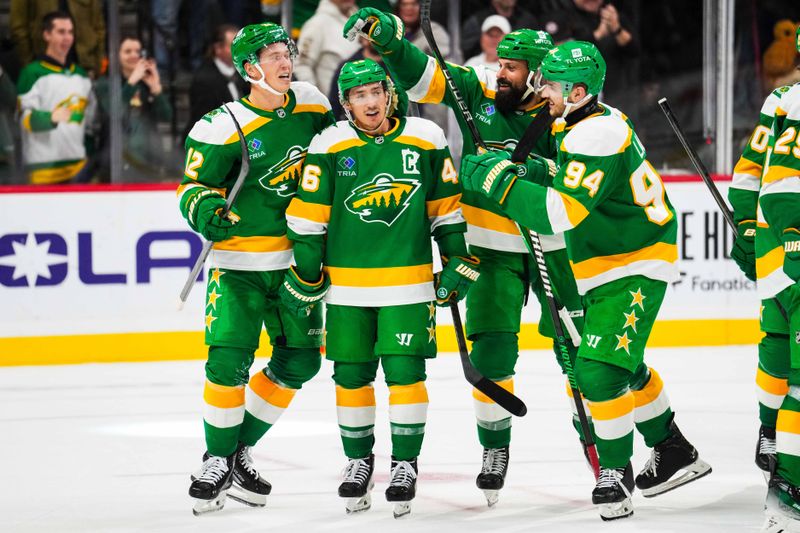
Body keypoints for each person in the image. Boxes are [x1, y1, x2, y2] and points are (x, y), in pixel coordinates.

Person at [458, 40, 712, 521]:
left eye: (550, 84)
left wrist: (498, 182)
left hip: (632, 262)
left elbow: (559, 212)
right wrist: (531, 167)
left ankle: (615, 477)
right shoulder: (587, 119)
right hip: (607, 263)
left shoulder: (593, 135)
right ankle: (673, 448)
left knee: (596, 372)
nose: (540, 90)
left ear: (576, 91)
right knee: (622, 363)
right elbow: (568, 176)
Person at [344, 9, 587, 507]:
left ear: (540, 76)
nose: (501, 72)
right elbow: (426, 77)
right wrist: (392, 44)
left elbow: (581, 180)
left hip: (556, 248)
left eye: (513, 68)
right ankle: (494, 450)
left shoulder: (569, 107)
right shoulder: (479, 86)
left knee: (580, 354)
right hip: (491, 248)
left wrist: (533, 169)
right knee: (492, 356)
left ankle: (601, 446)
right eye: (501, 63)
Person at [282, 57, 475, 518]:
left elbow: (445, 211)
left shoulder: (425, 138)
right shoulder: (328, 143)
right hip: (346, 291)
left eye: (375, 92)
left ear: (390, 92)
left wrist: (458, 263)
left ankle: (405, 465)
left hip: (408, 288)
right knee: (351, 378)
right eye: (358, 95)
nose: (369, 102)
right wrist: (307, 277)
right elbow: (307, 221)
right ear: (345, 103)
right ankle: (357, 463)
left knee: (407, 376)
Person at [178, 22, 335, 515]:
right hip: (239, 265)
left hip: (300, 265)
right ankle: (222, 460)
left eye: (287, 53)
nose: (286, 62)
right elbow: (191, 187)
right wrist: (206, 211)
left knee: (302, 361)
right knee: (228, 362)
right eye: (273, 56)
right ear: (249, 68)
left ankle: (226, 453)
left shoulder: (311, 103)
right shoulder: (220, 124)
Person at [741, 26, 800, 533]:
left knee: (779, 344)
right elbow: (758, 174)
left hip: (776, 242)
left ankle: (772, 436)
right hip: (784, 244)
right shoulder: (785, 102)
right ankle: (773, 438)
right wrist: (744, 225)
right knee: (783, 348)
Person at [17, 11, 94, 185]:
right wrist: (49, 118)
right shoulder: (32, 73)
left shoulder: (81, 76)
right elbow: (23, 118)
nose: (67, 37)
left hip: (78, 167)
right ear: (47, 35)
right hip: (43, 168)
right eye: (61, 32)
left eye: (70, 32)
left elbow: (89, 122)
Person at [95, 36, 173, 182]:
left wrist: (156, 89)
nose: (133, 55)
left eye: (137, 51)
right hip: (117, 162)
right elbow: (113, 112)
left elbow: (166, 116)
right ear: (116, 55)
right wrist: (131, 82)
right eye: (127, 51)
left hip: (148, 161)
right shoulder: (105, 84)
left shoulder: (146, 84)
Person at [541, 0, 637, 108]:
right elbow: (559, 54)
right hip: (577, 94)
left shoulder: (610, 14)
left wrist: (616, 28)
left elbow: (634, 50)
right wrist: (599, 34)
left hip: (616, 88)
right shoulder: (562, 16)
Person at [184, 24, 249, 139]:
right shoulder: (204, 80)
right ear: (218, 48)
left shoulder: (244, 73)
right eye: (234, 46)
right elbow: (203, 122)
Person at [10, 0, 105, 77]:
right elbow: (19, 28)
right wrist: (29, 65)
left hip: (84, 67)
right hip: (42, 67)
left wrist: (97, 65)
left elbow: (98, 27)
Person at [294, 0, 361, 97]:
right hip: (333, 105)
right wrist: (317, 99)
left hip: (361, 102)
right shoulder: (317, 24)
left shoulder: (361, 20)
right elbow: (301, 65)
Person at [461, 0, 538, 60]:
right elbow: (468, 51)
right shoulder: (476, 21)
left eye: (498, 35)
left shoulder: (528, 20)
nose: (495, 39)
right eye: (491, 35)